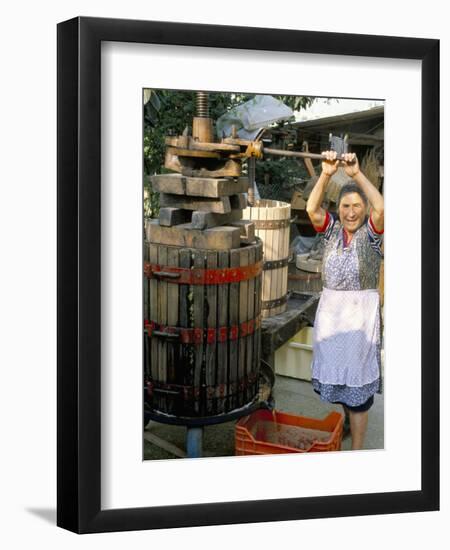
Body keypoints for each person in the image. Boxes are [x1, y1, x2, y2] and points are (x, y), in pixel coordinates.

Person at [306, 150, 384, 450]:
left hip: (360, 322)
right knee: (340, 386)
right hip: (334, 318)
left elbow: (382, 206)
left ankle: (357, 452)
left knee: (360, 396)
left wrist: (355, 175)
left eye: (356, 206)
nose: (351, 212)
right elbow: (312, 207)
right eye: (345, 206)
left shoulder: (372, 234)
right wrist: (326, 174)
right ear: (338, 209)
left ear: (363, 210)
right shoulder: (332, 231)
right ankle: (346, 429)